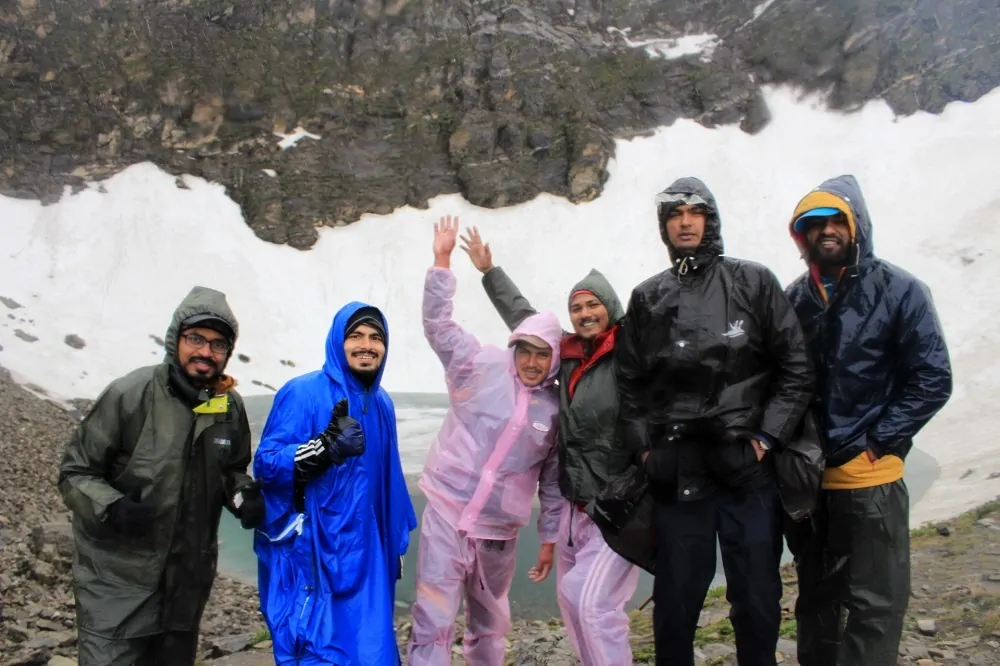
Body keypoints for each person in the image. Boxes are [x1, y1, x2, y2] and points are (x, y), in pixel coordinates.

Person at [615, 177, 814, 666]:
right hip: (677, 469)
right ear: (664, 225)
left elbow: (796, 366)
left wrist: (767, 437)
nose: (685, 221)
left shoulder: (753, 282)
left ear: (711, 219)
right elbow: (629, 383)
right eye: (675, 213)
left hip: (745, 466)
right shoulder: (648, 297)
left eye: (695, 211)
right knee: (677, 603)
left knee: (757, 595)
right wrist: (645, 450)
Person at [784, 175, 953, 666]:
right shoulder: (794, 300)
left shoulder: (900, 289)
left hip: (871, 478)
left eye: (838, 220)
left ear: (857, 225)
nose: (828, 230)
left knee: (875, 603)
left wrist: (877, 441)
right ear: (802, 236)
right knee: (817, 598)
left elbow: (932, 378)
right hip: (810, 484)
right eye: (815, 224)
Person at [462, 227, 641, 665]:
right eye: (577, 307)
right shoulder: (570, 353)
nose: (584, 313)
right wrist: (490, 272)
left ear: (610, 306)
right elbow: (527, 322)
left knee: (591, 600)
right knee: (570, 600)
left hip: (619, 504)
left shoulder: (634, 351)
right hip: (577, 505)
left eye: (593, 304)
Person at [58, 286, 265, 666]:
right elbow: (75, 472)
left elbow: (231, 469)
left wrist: (242, 493)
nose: (205, 352)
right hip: (117, 583)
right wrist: (112, 506)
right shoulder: (130, 394)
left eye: (218, 344)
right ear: (176, 339)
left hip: (185, 584)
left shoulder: (228, 405)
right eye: (196, 339)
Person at [407, 215, 564, 665]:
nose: (532, 362)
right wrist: (442, 260)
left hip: (499, 532)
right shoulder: (477, 365)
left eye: (543, 354)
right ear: (514, 346)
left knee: (491, 625)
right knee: (433, 618)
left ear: (553, 359)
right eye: (526, 350)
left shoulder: (553, 409)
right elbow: (438, 324)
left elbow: (551, 480)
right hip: (447, 513)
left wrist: (549, 535)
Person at [253, 298, 418, 665]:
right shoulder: (303, 393)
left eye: (376, 337)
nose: (366, 345)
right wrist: (323, 448)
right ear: (337, 342)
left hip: (368, 559)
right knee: (317, 652)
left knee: (373, 653)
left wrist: (394, 543)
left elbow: (387, 482)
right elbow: (265, 465)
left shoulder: (382, 404)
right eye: (355, 335)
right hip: (313, 555)